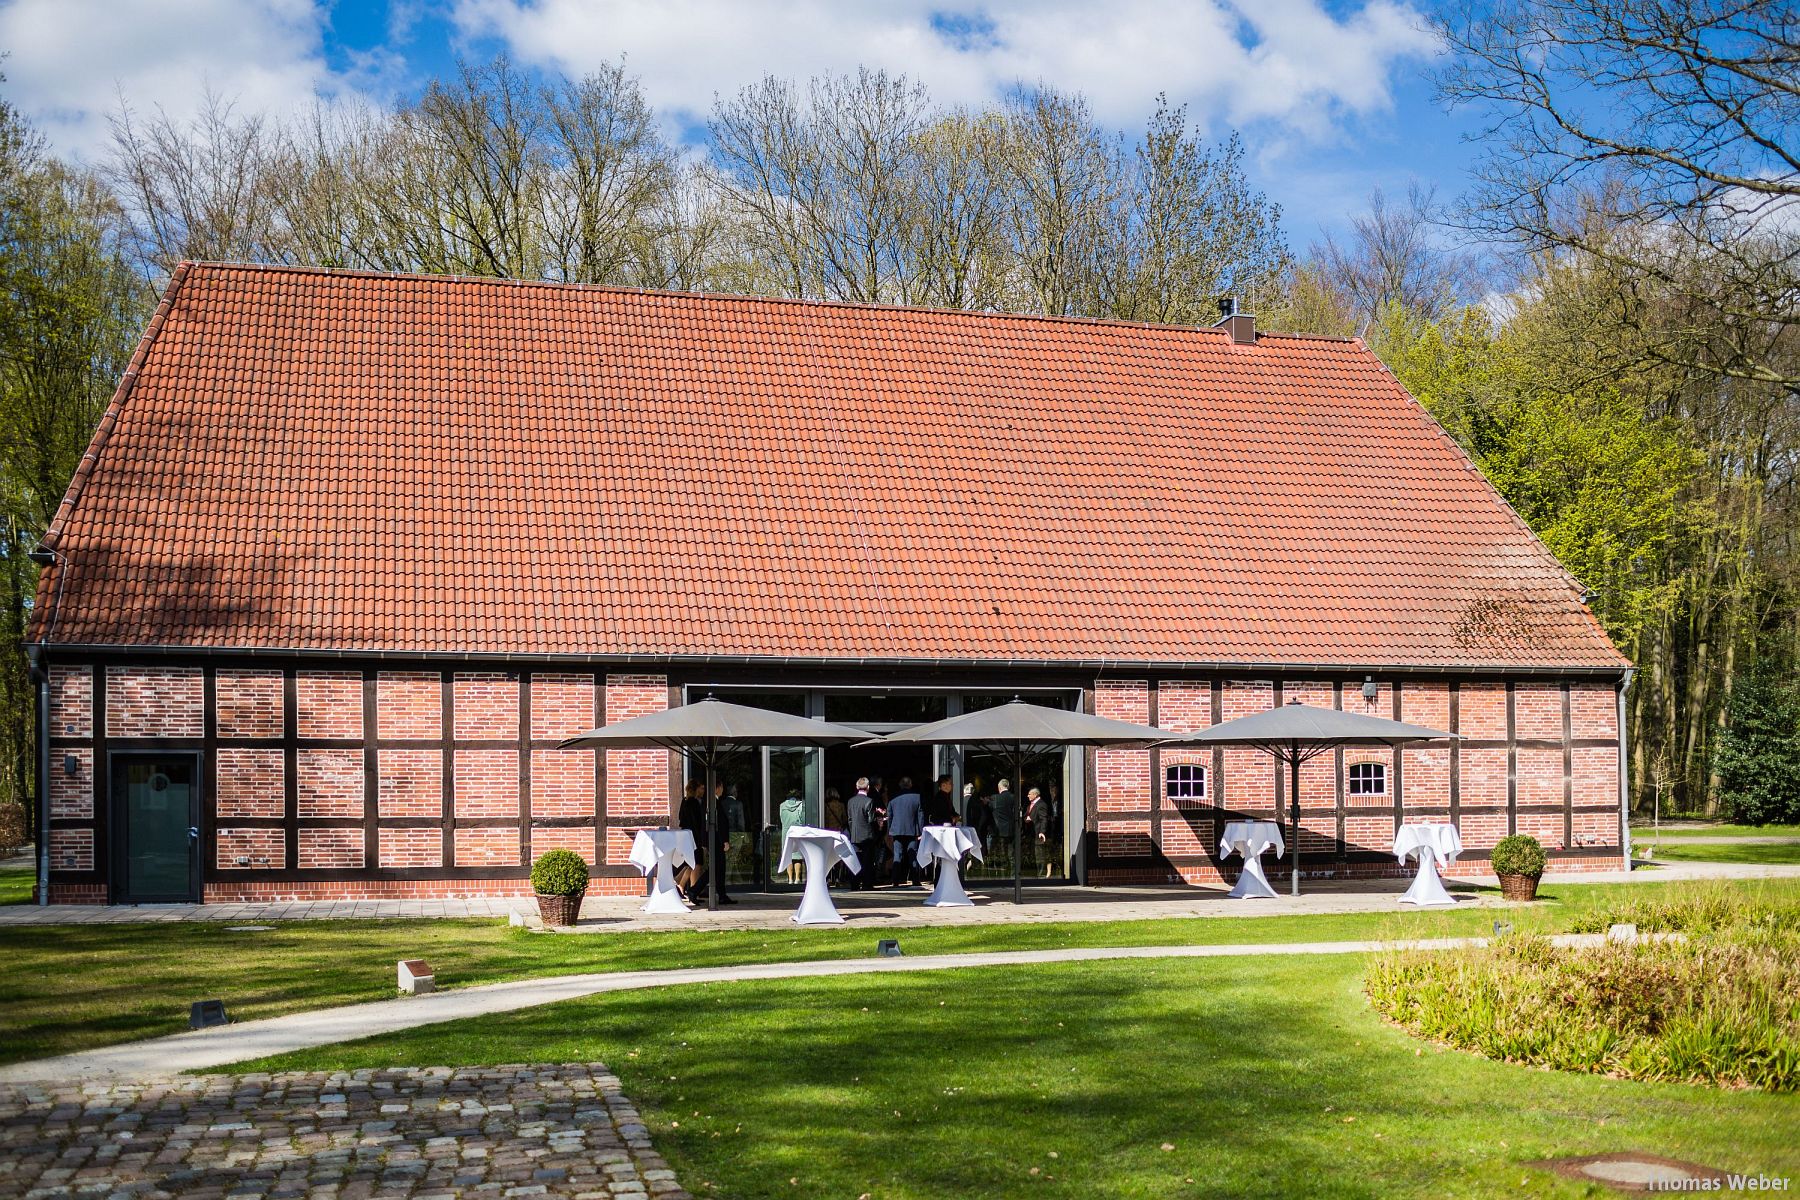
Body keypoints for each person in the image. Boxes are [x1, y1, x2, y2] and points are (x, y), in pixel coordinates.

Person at [886, 776, 923, 887]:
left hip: (897, 830)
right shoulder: (917, 797)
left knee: (897, 856)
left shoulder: (893, 797)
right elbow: (920, 816)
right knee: (913, 855)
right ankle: (915, 881)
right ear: (910, 784)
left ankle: (895, 881)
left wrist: (890, 830)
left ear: (900, 785)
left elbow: (889, 815)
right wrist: (921, 831)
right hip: (912, 830)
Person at [848, 777, 880, 890]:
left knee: (855, 860)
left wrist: (853, 831)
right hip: (867, 836)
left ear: (857, 787)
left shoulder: (850, 801)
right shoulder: (869, 801)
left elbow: (850, 820)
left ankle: (854, 884)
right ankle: (867, 884)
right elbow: (871, 820)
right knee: (868, 861)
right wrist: (878, 829)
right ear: (868, 788)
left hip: (855, 835)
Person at [675, 781, 706, 901]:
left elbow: (680, 819)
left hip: (686, 835)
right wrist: (701, 840)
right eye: (701, 788)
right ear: (696, 789)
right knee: (696, 863)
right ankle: (692, 890)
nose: (703, 791)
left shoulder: (685, 801)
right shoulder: (694, 803)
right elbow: (697, 823)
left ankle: (681, 886)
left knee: (690, 862)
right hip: (694, 836)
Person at [777, 787, 806, 884]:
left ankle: (790, 879)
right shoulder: (802, 805)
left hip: (786, 831)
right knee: (797, 856)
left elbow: (781, 819)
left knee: (787, 855)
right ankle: (797, 878)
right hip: (798, 831)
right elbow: (803, 819)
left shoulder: (782, 806)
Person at [991, 779, 1018, 866]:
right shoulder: (1014, 797)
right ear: (1008, 786)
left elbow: (990, 811)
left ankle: (1004, 869)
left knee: (1002, 852)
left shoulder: (995, 798)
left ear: (999, 787)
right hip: (1012, 828)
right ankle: (1013, 870)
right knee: (1011, 852)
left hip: (999, 829)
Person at [1025, 786, 1052, 876]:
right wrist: (1027, 818)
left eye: (1029, 794)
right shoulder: (1030, 805)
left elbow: (1043, 819)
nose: (1027, 796)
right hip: (1032, 834)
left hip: (1039, 834)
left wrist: (1042, 832)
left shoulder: (1041, 805)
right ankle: (1039, 873)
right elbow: (1026, 816)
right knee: (1037, 854)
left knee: (1040, 854)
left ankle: (1042, 874)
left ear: (1035, 795)